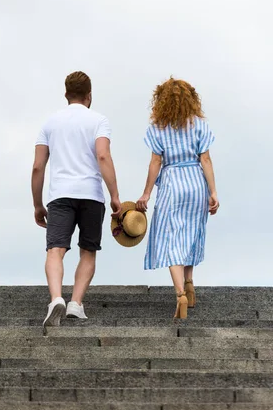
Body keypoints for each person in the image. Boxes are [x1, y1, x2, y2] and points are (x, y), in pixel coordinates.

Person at [32, 71, 121, 331]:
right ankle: (76, 304)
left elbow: (38, 166)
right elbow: (103, 156)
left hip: (60, 195)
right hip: (91, 195)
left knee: (55, 250)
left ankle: (56, 298)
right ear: (89, 95)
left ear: (66, 94)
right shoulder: (99, 121)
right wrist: (115, 195)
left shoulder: (50, 123)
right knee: (88, 250)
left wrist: (38, 204)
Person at [136, 78, 219, 319]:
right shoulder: (200, 126)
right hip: (196, 183)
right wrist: (213, 192)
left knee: (172, 239)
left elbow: (155, 162)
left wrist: (147, 193)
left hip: (172, 182)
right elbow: (206, 160)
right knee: (191, 233)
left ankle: (181, 294)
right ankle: (190, 284)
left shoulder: (157, 128)